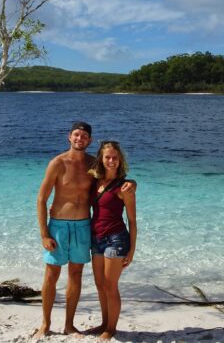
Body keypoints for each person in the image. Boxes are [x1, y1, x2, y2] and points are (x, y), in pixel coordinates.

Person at [34, 122, 134, 338]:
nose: (80, 139)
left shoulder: (93, 165)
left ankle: (69, 325)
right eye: (76, 135)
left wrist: (132, 184)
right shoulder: (57, 163)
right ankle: (45, 324)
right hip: (58, 226)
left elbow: (113, 179)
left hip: (83, 226)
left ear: (89, 140)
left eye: (85, 136)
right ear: (69, 137)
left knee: (76, 275)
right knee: (51, 275)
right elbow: (41, 199)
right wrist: (44, 234)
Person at [86, 140, 137, 340]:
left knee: (110, 285)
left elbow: (132, 221)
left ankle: (111, 328)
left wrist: (131, 250)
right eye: (107, 157)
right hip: (96, 237)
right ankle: (104, 323)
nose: (111, 161)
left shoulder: (124, 187)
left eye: (115, 157)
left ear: (120, 160)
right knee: (100, 285)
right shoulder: (95, 181)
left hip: (115, 240)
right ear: (101, 158)